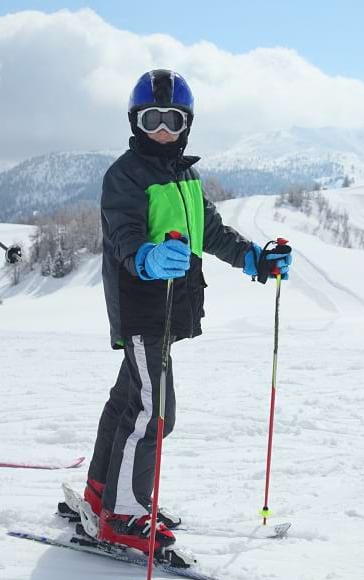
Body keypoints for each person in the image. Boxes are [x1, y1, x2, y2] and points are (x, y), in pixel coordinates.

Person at [81, 70, 292, 555]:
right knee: (153, 413)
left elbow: (212, 232)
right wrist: (146, 258)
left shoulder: (186, 176)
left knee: (126, 403)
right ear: (136, 122)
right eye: (151, 118)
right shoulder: (125, 175)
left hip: (172, 310)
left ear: (186, 124)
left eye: (171, 119)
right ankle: (125, 515)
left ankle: (102, 493)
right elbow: (123, 235)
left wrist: (255, 259)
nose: (161, 129)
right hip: (141, 309)